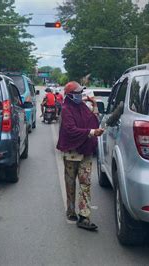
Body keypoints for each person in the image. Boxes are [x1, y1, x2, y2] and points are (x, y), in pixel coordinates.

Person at [56, 81, 104, 231]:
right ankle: (71, 211)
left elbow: (94, 121)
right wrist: (90, 132)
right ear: (70, 96)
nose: (79, 95)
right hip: (71, 153)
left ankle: (84, 216)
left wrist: (94, 104)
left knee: (86, 184)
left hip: (86, 152)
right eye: (76, 93)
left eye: (80, 93)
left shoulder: (83, 108)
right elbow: (70, 130)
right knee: (70, 185)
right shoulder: (66, 109)